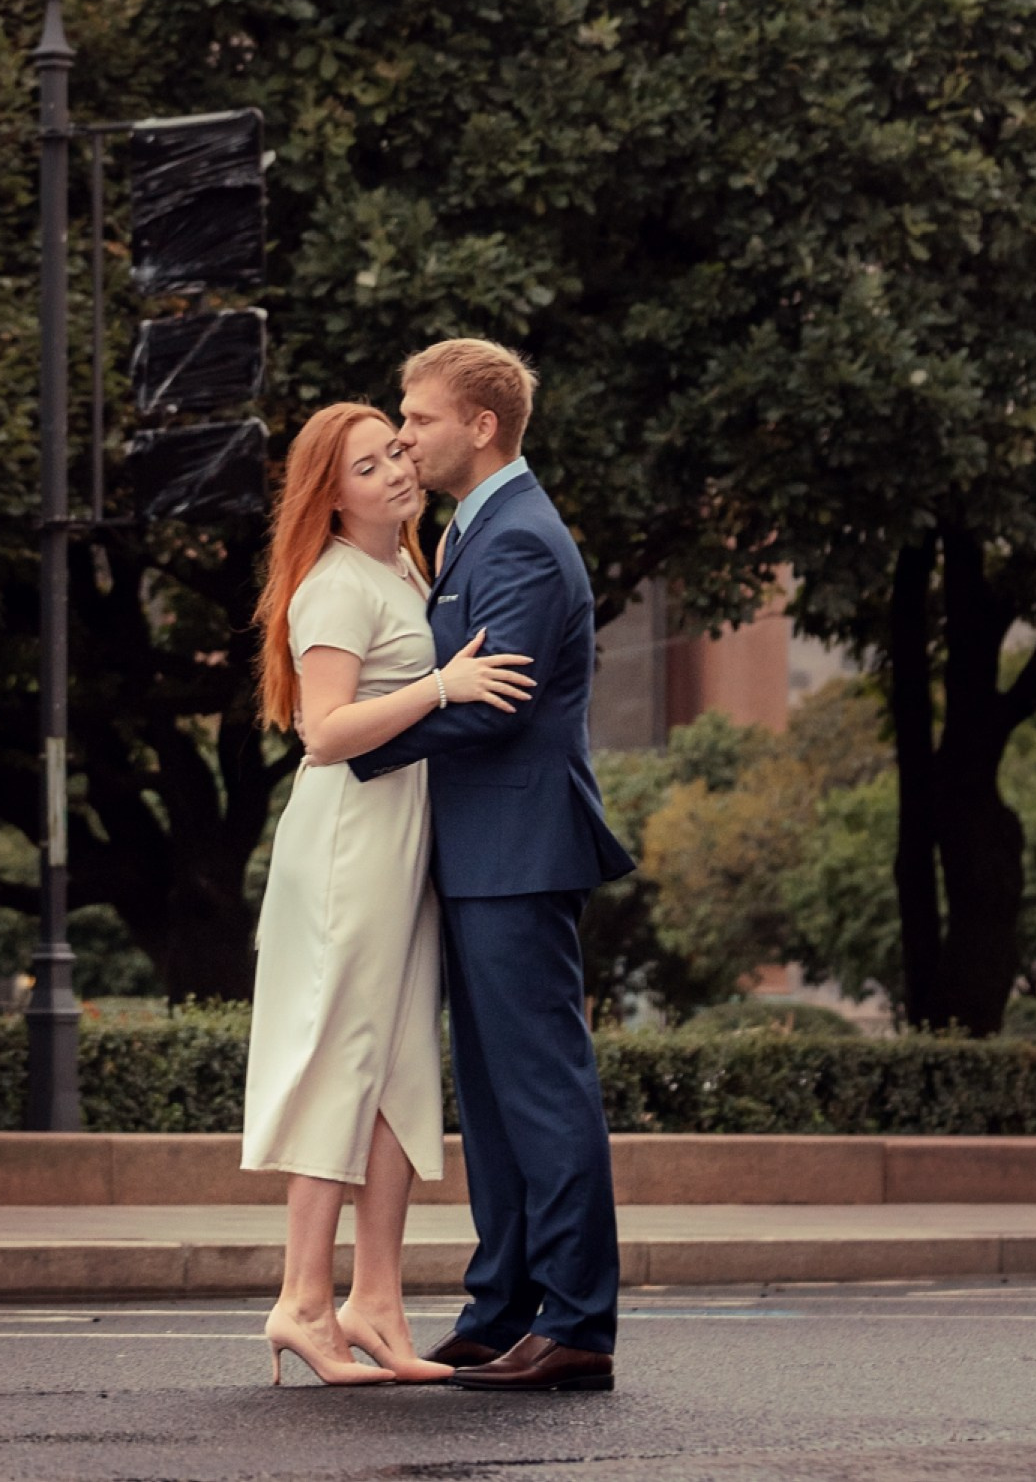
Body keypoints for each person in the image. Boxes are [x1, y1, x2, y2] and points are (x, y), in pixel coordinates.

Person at [349, 338, 635, 1396]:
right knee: (495, 1096)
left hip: (518, 846)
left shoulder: (518, 539)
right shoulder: (476, 529)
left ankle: (576, 1323)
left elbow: (495, 703)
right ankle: (503, 1309)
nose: (404, 436)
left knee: (541, 1090)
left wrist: (355, 743)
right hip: (483, 850)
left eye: (418, 418)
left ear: (480, 426)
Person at [243, 401, 535, 1389]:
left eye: (397, 452)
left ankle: (374, 1301)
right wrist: (444, 687)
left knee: (400, 1065)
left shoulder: (406, 568)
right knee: (343, 1055)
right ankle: (301, 1301)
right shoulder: (333, 585)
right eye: (368, 467)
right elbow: (323, 733)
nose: (398, 471)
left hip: (402, 837)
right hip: (348, 844)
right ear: (331, 495)